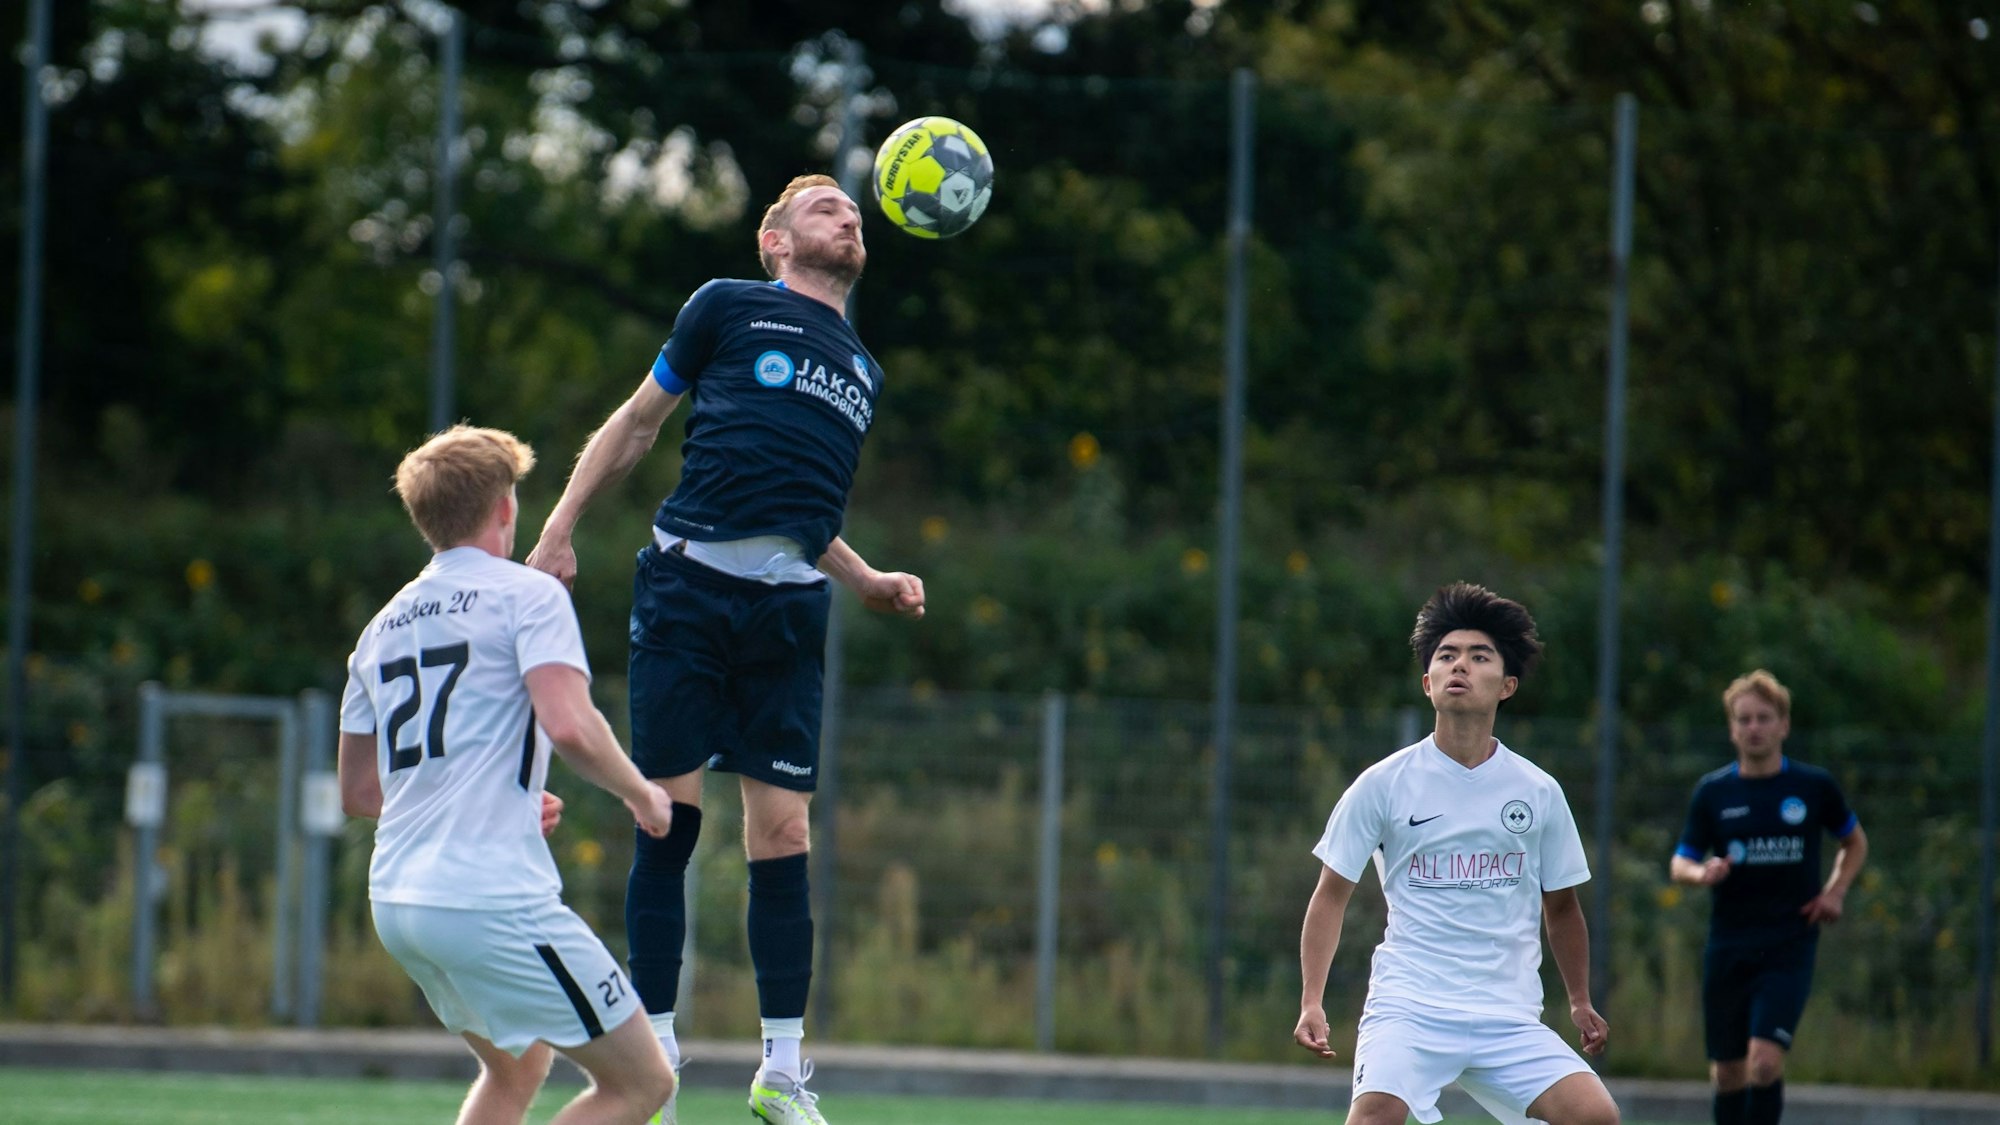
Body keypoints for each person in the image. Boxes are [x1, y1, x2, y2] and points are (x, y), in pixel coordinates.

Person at [524, 173, 926, 1125]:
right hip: (689, 592)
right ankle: (654, 1065)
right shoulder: (728, 307)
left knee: (784, 836)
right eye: (825, 207)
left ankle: (781, 1071)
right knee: (668, 820)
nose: (848, 215)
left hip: (787, 611)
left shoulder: (863, 370)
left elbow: (799, 509)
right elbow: (637, 424)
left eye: (853, 211)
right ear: (775, 241)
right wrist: (557, 530)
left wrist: (864, 578)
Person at [336, 424, 679, 1125]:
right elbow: (570, 724)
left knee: (516, 1065)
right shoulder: (527, 594)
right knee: (643, 1083)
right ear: (504, 506)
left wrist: (497, 795)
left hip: (399, 901)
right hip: (487, 899)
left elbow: (360, 792)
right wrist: (642, 792)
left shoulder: (379, 628)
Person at [1294, 582, 1620, 1125]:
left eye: (1479, 656)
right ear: (1428, 683)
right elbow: (1330, 895)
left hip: (1507, 1015)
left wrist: (1579, 999)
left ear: (1507, 685)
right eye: (1446, 656)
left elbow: (1562, 907)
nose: (1459, 665)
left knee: (1596, 1117)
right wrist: (1312, 1000)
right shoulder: (1382, 784)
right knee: (1374, 1116)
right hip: (1409, 1007)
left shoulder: (1538, 791)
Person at [1669, 669, 1868, 1125]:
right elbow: (1680, 862)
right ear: (1732, 728)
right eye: (1744, 719)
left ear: (1784, 725)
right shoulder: (1714, 792)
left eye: (1764, 718)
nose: (1754, 727)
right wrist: (1702, 872)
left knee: (1763, 1062)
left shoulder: (1812, 787)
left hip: (1788, 944)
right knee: (1728, 1073)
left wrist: (1835, 892)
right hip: (1729, 944)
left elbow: (1854, 841)